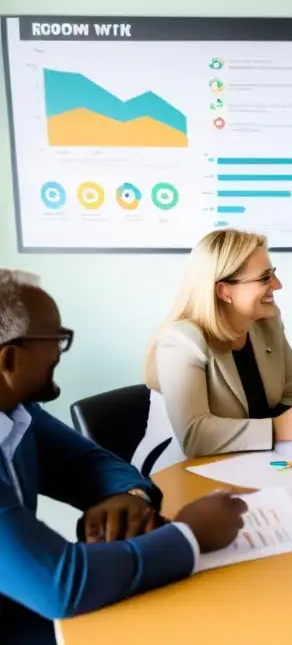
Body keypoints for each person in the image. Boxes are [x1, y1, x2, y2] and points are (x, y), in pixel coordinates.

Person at [0, 269, 247, 644]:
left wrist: (130, 498)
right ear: (10, 360)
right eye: (56, 338)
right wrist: (192, 533)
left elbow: (90, 462)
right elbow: (62, 586)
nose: (61, 349)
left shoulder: (18, 412)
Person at [139, 228, 292, 462]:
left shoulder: (265, 322)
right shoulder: (182, 340)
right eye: (264, 278)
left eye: (273, 274)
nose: (277, 285)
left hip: (246, 459)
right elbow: (194, 435)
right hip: (176, 467)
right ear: (224, 291)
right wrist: (280, 428)